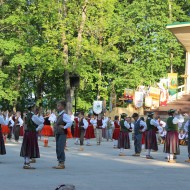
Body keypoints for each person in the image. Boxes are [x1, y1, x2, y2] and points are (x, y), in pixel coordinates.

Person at [20, 103, 44, 169]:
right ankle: (27, 164)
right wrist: (36, 129)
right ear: (33, 108)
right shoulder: (33, 116)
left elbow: (25, 125)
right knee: (30, 147)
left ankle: (26, 162)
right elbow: (41, 123)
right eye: (34, 107)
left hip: (27, 133)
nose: (35, 108)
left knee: (26, 146)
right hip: (31, 133)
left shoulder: (27, 115)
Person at [52, 100, 73, 169]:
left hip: (62, 133)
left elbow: (70, 122)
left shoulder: (64, 115)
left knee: (60, 148)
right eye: (57, 105)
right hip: (58, 133)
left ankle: (62, 163)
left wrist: (64, 127)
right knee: (58, 148)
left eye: (59, 105)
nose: (57, 107)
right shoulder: (60, 115)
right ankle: (59, 162)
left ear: (63, 107)